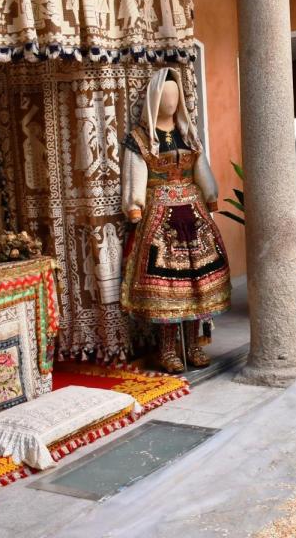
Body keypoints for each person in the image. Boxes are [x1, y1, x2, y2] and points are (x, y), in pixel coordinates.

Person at [120, 68, 231, 373]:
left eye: (175, 96)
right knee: (170, 287)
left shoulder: (188, 133)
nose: (171, 102)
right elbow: (135, 173)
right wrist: (134, 205)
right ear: (155, 98)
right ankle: (168, 350)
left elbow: (201, 167)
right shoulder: (141, 138)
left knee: (197, 282)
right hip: (160, 218)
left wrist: (210, 194)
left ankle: (194, 344)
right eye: (166, 96)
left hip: (193, 216)